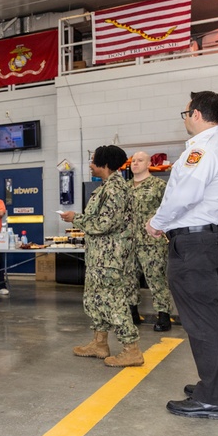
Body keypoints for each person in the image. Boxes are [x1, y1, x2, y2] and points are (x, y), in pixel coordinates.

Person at [147, 91, 218, 420]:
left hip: (194, 244)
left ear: (197, 114)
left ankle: (213, 399)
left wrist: (156, 223)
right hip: (213, 240)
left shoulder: (201, 149)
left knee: (202, 321)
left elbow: (184, 195)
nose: (185, 118)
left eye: (185, 113)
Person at [61, 145, 142, 367]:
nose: (90, 164)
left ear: (105, 164)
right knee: (96, 300)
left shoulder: (115, 190)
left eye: (93, 160)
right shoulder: (105, 188)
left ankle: (131, 348)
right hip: (100, 256)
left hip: (111, 258)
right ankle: (99, 343)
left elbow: (105, 223)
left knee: (113, 301)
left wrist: (75, 218)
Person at [127, 151, 174, 331]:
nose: (135, 163)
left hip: (152, 242)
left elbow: (169, 210)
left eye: (140, 161)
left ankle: (163, 315)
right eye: (133, 161)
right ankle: (132, 312)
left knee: (156, 278)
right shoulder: (125, 187)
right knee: (129, 279)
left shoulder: (159, 185)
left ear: (148, 164)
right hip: (129, 242)